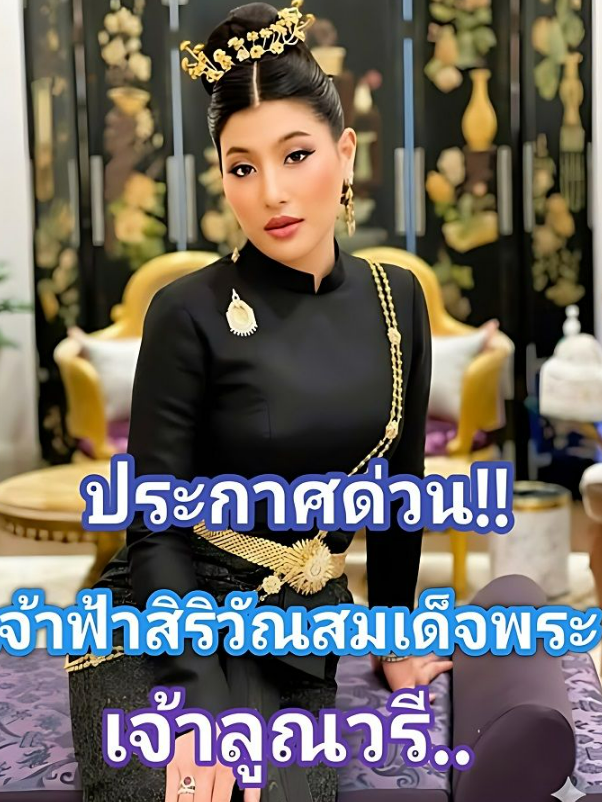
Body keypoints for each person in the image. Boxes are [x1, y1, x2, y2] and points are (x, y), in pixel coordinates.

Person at [66, 2, 452, 800]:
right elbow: (155, 528)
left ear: (345, 153)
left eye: (296, 154)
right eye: (241, 167)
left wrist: (395, 634)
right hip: (160, 615)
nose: (271, 192)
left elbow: (400, 491)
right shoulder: (187, 311)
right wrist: (200, 706)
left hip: (294, 624)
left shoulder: (398, 300)